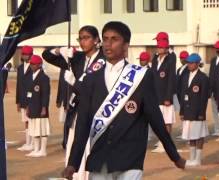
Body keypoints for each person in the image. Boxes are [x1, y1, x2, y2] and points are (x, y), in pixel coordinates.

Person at [62, 21, 185, 180]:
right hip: (99, 160)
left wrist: (174, 156)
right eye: (105, 39)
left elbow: (156, 120)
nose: (108, 44)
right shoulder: (90, 79)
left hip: (130, 159)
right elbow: (83, 123)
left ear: (126, 45)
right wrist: (73, 163)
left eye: (114, 39)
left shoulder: (141, 76)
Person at [42, 25, 105, 180]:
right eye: (80, 38)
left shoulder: (103, 60)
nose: (83, 41)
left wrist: (75, 82)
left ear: (96, 40)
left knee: (89, 146)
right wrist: (59, 50)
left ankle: (88, 175)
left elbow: (94, 89)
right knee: (73, 143)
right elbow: (46, 55)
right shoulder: (77, 58)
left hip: (94, 110)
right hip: (76, 109)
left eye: (86, 37)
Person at [180, 53, 209, 166]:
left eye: (191, 63)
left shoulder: (203, 78)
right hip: (187, 110)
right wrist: (182, 111)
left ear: (197, 64)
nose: (189, 65)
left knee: (198, 135)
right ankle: (192, 157)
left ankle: (198, 158)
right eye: (188, 63)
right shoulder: (185, 76)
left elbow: (204, 97)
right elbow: (183, 95)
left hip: (197, 111)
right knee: (190, 135)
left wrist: (202, 112)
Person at [151, 33, 177, 153]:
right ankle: (161, 140)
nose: (158, 48)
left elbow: (171, 78)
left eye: (160, 46)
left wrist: (168, 96)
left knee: (167, 120)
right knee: (159, 120)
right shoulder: (155, 58)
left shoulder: (171, 58)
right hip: (156, 94)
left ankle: (166, 143)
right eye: (158, 46)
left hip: (165, 95)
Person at [24, 55, 51, 157]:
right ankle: (36, 149)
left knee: (42, 129)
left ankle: (43, 150)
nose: (31, 66)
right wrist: (27, 106)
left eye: (33, 64)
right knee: (34, 128)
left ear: (39, 65)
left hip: (40, 108)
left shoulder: (44, 78)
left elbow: (46, 94)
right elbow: (29, 93)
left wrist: (44, 107)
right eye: (31, 64)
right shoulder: (31, 76)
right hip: (32, 106)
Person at [16, 45, 34, 152]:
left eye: (26, 54)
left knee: (31, 121)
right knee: (26, 121)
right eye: (23, 53)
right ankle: (27, 142)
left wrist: (30, 101)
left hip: (31, 99)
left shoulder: (34, 67)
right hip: (22, 99)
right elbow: (19, 85)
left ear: (31, 54)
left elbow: (34, 85)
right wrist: (18, 101)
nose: (24, 55)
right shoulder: (20, 68)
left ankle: (31, 143)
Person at [209, 40, 219, 137]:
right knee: (215, 110)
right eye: (216, 48)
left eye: (218, 48)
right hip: (213, 90)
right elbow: (211, 75)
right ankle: (217, 128)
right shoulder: (214, 60)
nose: (216, 49)